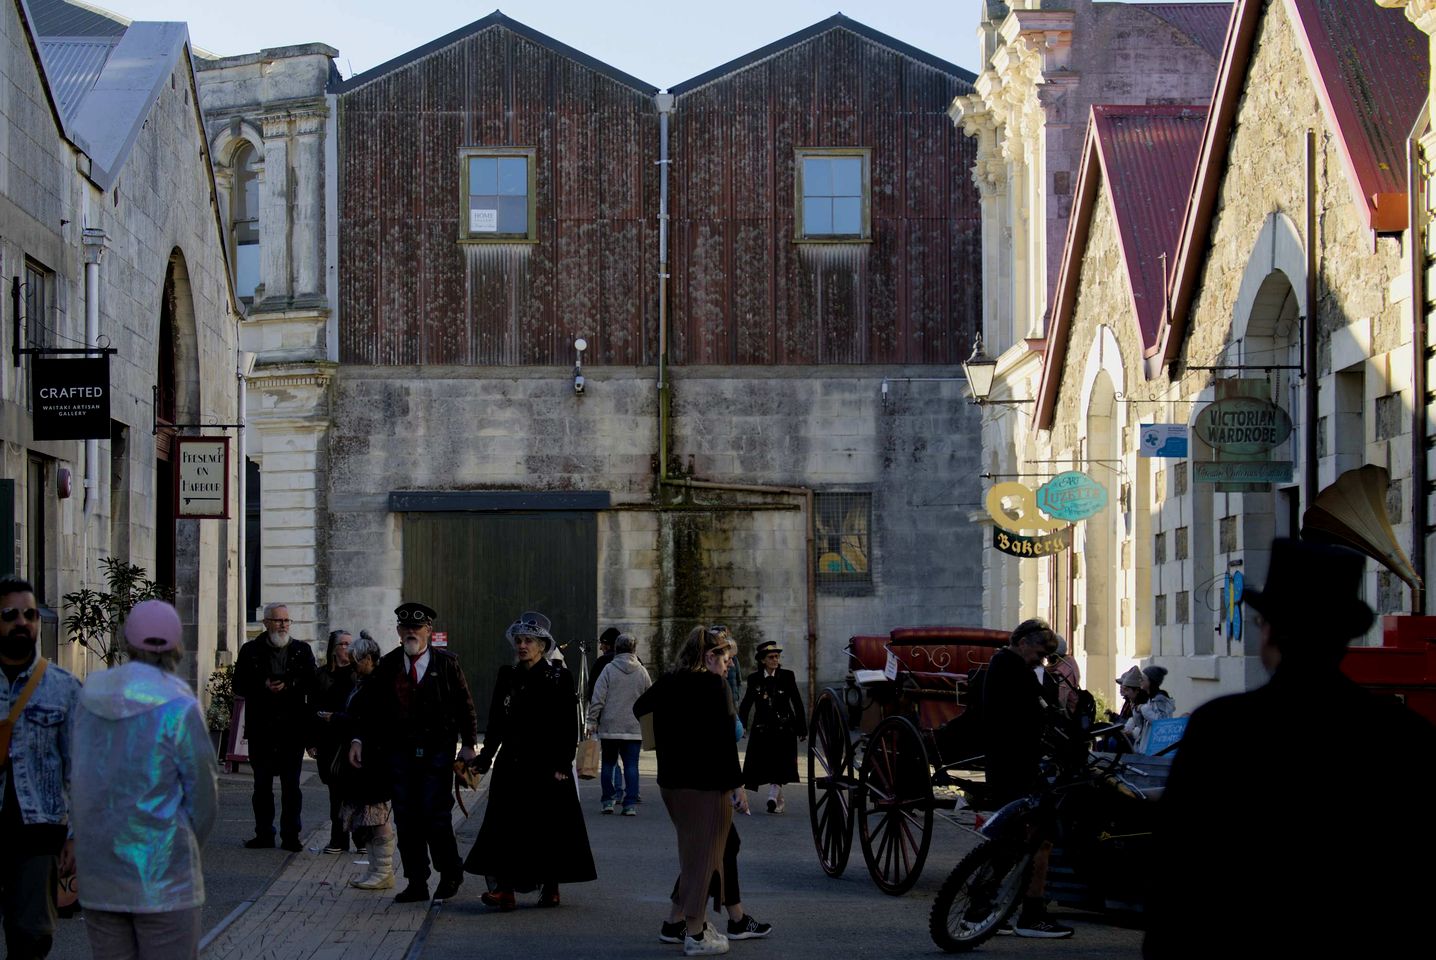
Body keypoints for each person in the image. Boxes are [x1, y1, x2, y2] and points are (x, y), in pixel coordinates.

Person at [1144, 538, 1436, 957]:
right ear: (1343, 638)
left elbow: (1180, 866)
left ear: (1271, 631)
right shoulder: (1403, 733)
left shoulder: (1223, 727)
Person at [71, 600, 219, 960]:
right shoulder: (179, 703)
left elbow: (76, 774)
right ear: (177, 646)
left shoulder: (90, 693)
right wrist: (186, 845)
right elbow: (203, 796)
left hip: (100, 869)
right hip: (165, 874)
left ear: (127, 641)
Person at [464, 611, 597, 908]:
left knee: (547, 828)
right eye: (519, 640)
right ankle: (505, 890)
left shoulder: (558, 676)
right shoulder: (507, 675)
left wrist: (564, 764)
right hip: (512, 764)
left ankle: (550, 886)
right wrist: (485, 757)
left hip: (547, 765)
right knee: (505, 827)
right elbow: (497, 721)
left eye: (529, 641)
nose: (522, 645)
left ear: (542, 646)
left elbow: (567, 724)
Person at [349, 601, 478, 904]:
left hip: (437, 751)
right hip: (400, 754)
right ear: (397, 631)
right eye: (405, 628)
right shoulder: (390, 665)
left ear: (428, 631)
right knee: (407, 819)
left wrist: (470, 745)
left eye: (416, 628)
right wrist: (358, 739)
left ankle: (449, 873)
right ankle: (417, 881)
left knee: (436, 816)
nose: (411, 633)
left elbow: (465, 706)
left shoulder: (447, 663)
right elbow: (368, 708)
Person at [635, 625, 748, 957]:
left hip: (671, 782)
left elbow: (640, 707)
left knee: (697, 852)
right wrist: (737, 786)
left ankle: (675, 923)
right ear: (710, 657)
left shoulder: (670, 681)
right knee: (703, 859)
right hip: (706, 786)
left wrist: (668, 737)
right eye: (726, 659)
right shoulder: (715, 686)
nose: (729, 666)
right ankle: (696, 934)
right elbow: (727, 742)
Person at [0, 575, 80, 960]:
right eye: (9, 614)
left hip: (38, 834)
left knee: (31, 937)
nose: (22, 622)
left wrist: (76, 835)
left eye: (30, 614)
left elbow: (80, 768)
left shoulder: (63, 687)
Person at [979, 617, 1072, 939]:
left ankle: (994, 908)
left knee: (1025, 838)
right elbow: (1037, 712)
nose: (1042, 660)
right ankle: (1021, 913)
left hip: (1014, 761)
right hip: (1014, 764)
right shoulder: (1011, 668)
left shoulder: (1010, 666)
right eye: (1039, 652)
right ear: (1022, 643)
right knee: (1030, 838)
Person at [233, 602, 315, 851]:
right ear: (266, 622)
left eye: (286, 620)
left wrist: (288, 684)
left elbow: (312, 683)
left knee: (292, 787)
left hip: (292, 729)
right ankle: (264, 834)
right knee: (262, 786)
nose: (283, 625)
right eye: (278, 620)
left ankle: (291, 836)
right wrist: (263, 686)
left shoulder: (302, 650)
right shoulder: (251, 650)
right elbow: (238, 685)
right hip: (262, 728)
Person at [340, 633, 396, 891]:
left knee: (378, 817)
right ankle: (376, 869)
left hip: (376, 760)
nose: (352, 663)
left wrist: (353, 732)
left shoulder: (378, 685)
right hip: (366, 759)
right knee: (369, 817)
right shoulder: (362, 682)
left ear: (370, 659)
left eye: (357, 659)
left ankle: (383, 870)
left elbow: (372, 721)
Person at [737, 639, 806, 814]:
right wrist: (741, 725)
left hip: (784, 727)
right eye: (771, 657)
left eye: (777, 656)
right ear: (762, 660)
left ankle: (773, 795)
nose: (775, 660)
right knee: (763, 763)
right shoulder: (754, 679)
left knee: (781, 761)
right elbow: (746, 703)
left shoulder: (787, 676)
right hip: (763, 728)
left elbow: (797, 702)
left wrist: (802, 728)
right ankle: (779, 800)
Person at [586, 632, 651, 815]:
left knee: (608, 764)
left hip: (610, 726)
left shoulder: (609, 669)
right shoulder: (641, 671)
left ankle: (608, 800)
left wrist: (592, 720)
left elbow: (598, 697)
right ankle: (630, 804)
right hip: (633, 727)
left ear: (616, 649)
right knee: (632, 765)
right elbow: (649, 699)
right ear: (634, 649)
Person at [311, 629, 355, 854]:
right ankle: (338, 838)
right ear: (334, 649)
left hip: (351, 740)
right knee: (336, 793)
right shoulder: (320, 675)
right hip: (328, 740)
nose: (348, 648)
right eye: (344, 644)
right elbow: (311, 708)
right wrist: (311, 741)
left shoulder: (358, 675)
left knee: (355, 791)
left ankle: (361, 838)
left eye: (350, 643)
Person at [1122, 665, 1174, 752]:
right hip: (1143, 747)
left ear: (1151, 681)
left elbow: (1161, 722)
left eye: (1143, 679)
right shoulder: (1149, 699)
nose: (1140, 681)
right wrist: (1137, 711)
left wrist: (1143, 708)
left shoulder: (1161, 699)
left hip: (1155, 748)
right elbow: (1140, 724)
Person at [1046, 636, 1082, 717]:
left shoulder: (1061, 673)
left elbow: (1061, 702)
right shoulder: (1069, 663)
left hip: (1067, 716)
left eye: (1047, 654)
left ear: (1054, 656)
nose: (1046, 657)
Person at [586, 627, 620, 701]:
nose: (600, 648)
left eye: (602, 644)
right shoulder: (637, 661)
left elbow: (593, 688)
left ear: (608, 645)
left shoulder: (602, 661)